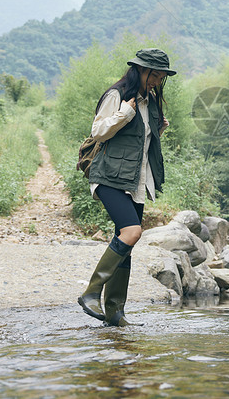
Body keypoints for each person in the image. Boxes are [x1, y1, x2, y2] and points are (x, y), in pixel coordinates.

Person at [77, 48, 175, 326]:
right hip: (108, 176)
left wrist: (159, 128)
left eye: (161, 76)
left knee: (126, 242)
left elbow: (139, 142)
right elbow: (98, 131)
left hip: (135, 181)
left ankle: (115, 313)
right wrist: (124, 113)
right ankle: (91, 292)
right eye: (153, 75)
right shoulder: (117, 95)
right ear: (140, 70)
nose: (157, 80)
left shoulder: (151, 100)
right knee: (132, 232)